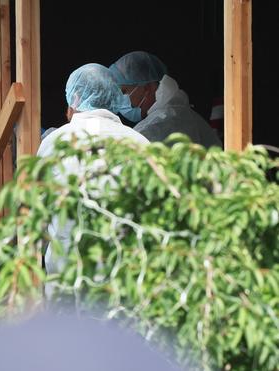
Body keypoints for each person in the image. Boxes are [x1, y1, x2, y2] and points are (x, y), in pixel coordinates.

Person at [37, 63, 149, 278]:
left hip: (65, 279)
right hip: (123, 281)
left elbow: (36, 213)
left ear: (75, 98)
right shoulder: (140, 143)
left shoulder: (53, 142)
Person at [109, 51, 222, 147]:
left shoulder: (161, 124)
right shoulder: (180, 114)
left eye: (124, 91)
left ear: (147, 88)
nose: (120, 100)